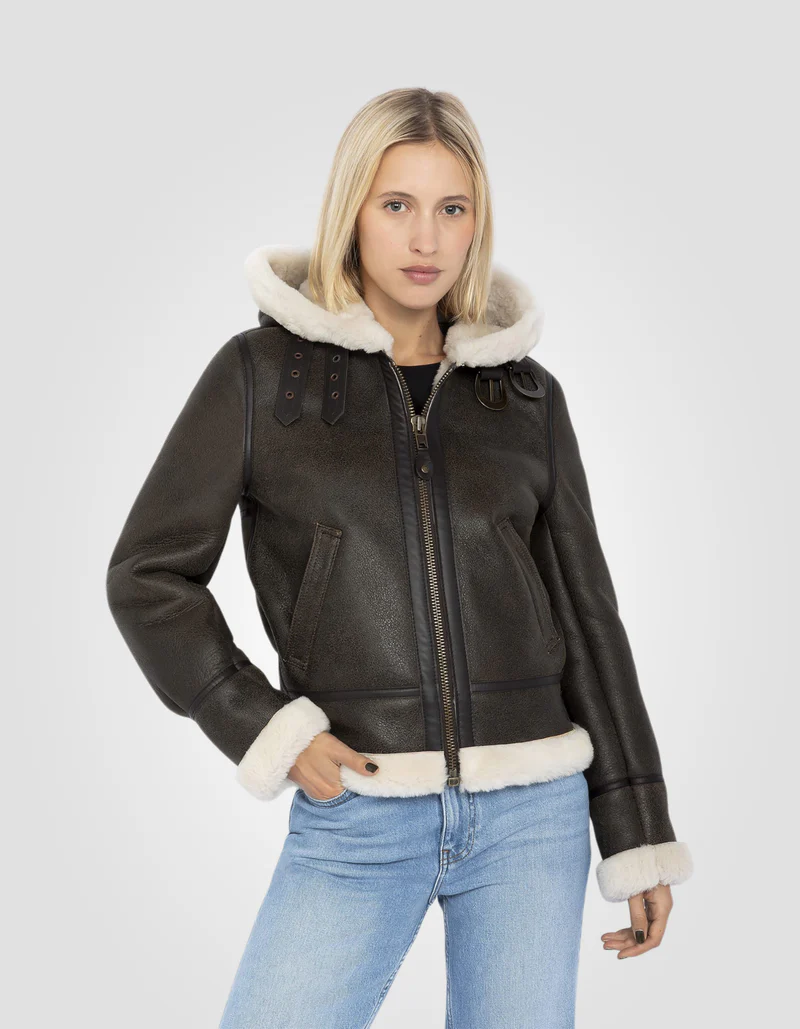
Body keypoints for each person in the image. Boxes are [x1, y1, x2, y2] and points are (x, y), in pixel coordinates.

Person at [106, 87, 693, 1028]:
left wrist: (637, 828)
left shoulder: (526, 398)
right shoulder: (260, 378)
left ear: (476, 223)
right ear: (353, 211)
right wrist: (268, 728)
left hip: (531, 816)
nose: (426, 238)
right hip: (361, 809)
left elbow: (588, 617)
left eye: (451, 208)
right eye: (397, 205)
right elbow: (147, 575)